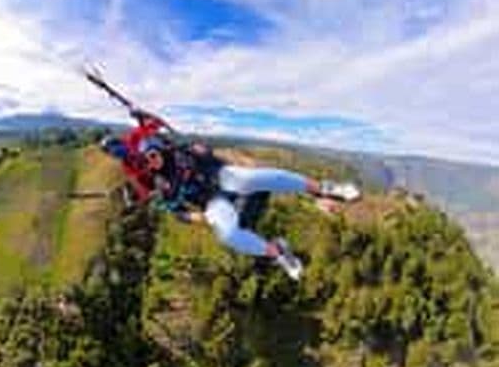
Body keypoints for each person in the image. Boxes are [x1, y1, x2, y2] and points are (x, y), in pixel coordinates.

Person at [100, 112, 359, 280]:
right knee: (228, 234)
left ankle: (324, 188)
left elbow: (158, 128)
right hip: (211, 201)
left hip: (220, 175)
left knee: (252, 178)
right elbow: (177, 211)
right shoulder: (161, 184)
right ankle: (278, 253)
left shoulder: (178, 151)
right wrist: (197, 217)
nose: (153, 162)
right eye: (148, 161)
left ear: (158, 149)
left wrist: (143, 119)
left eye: (153, 156)